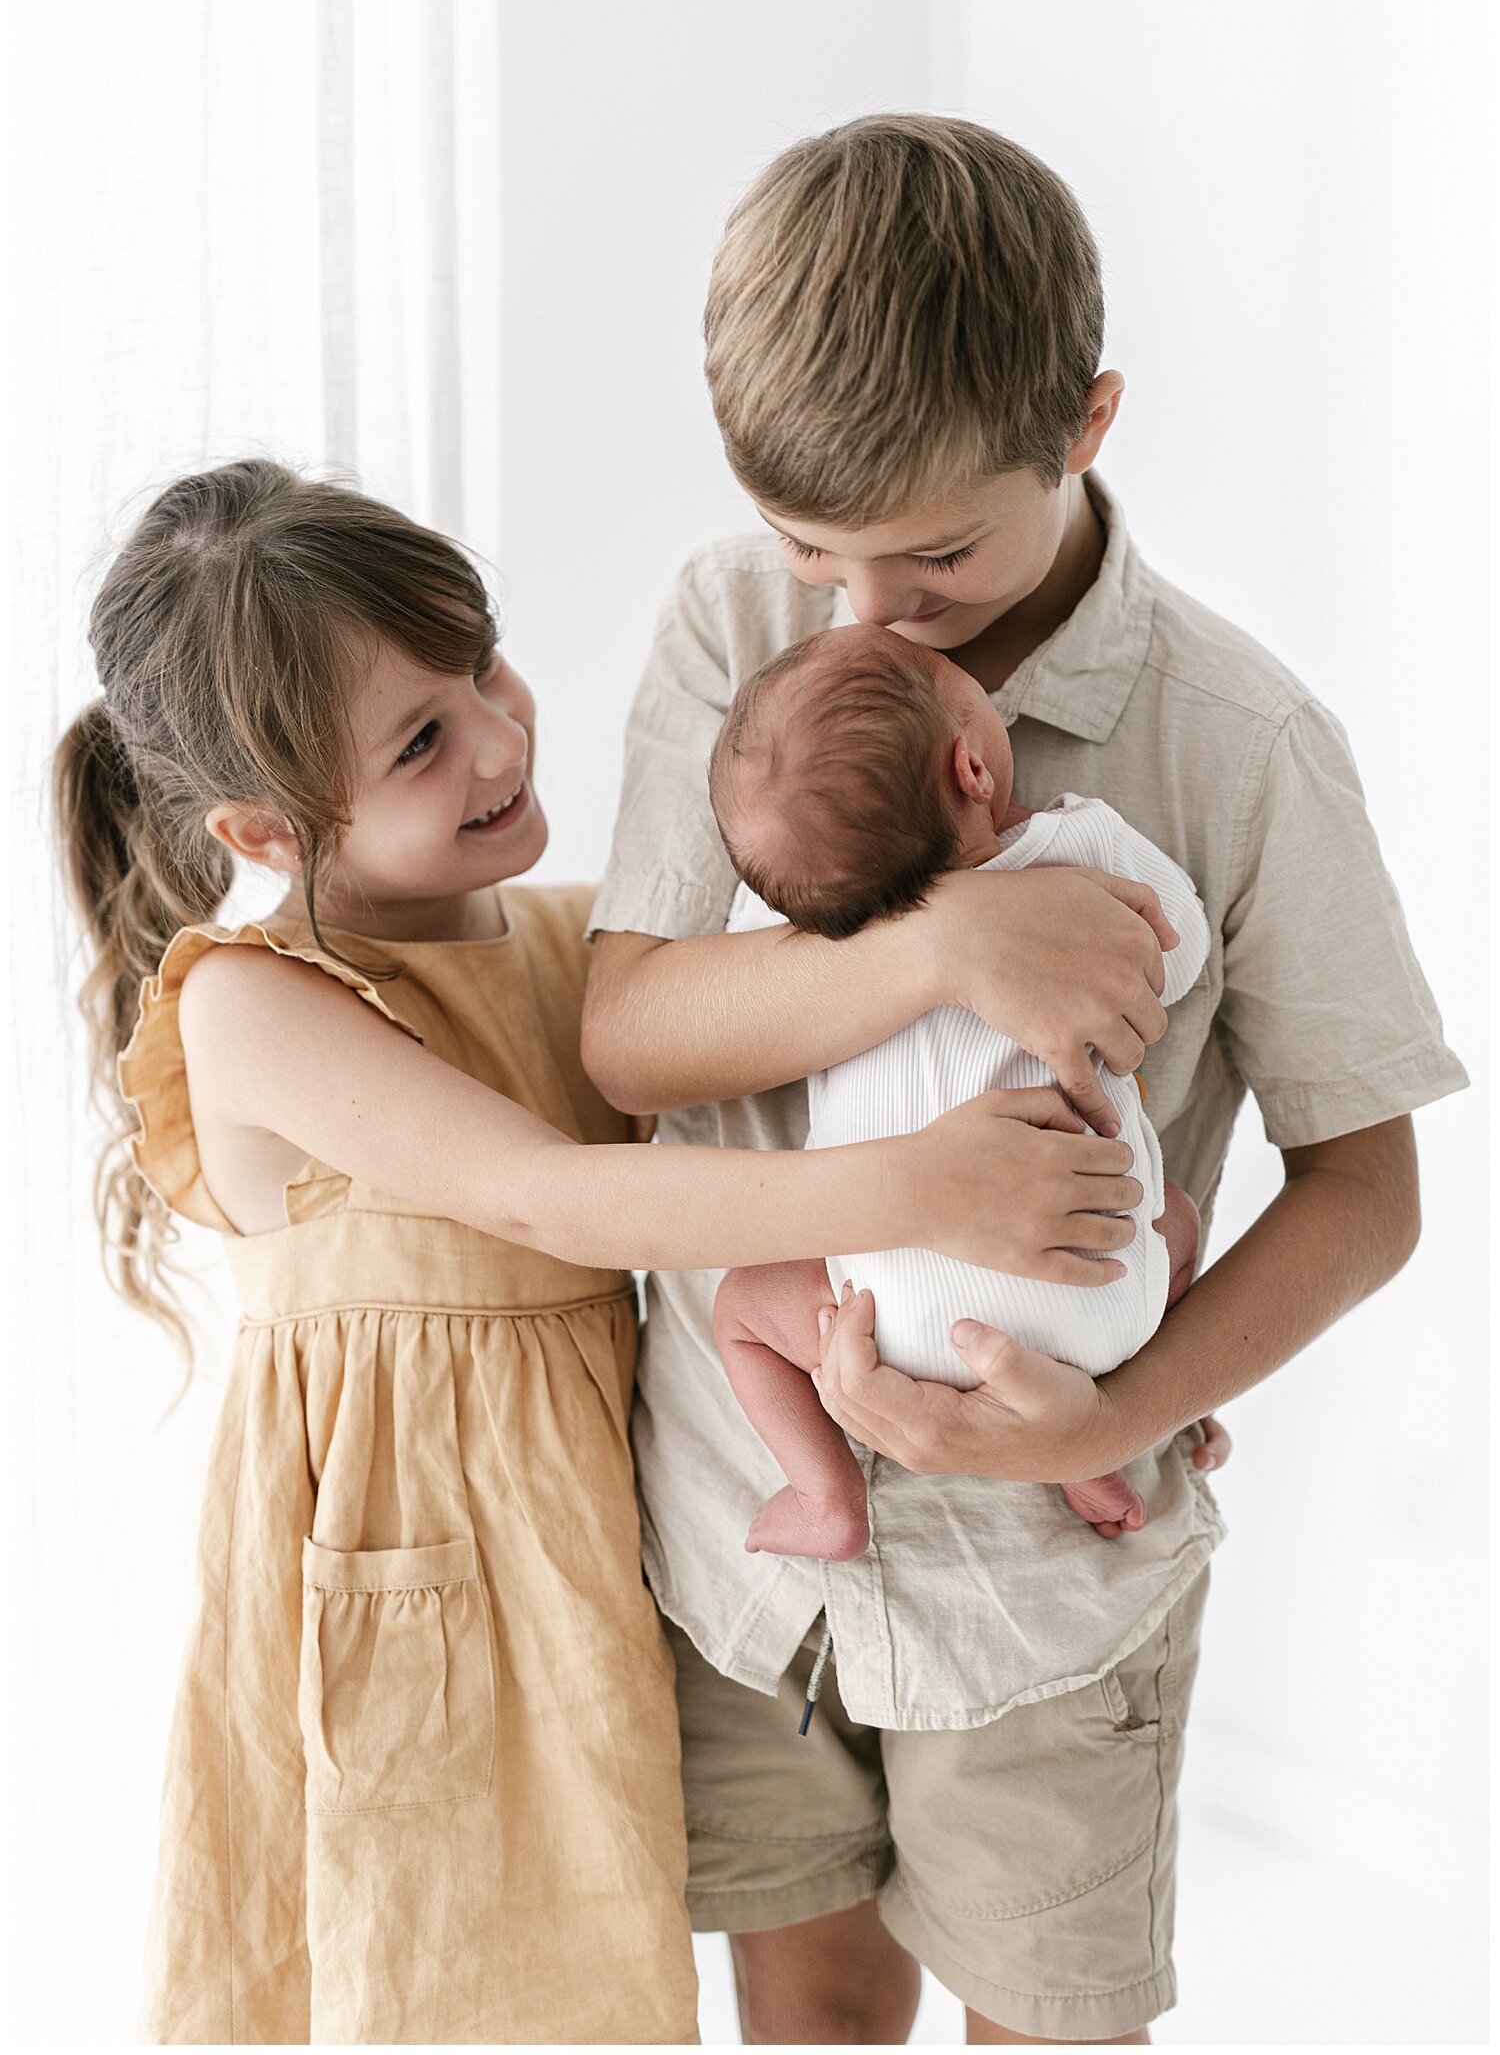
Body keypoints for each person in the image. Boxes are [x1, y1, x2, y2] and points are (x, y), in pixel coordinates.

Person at [580, 115, 1467, 2046]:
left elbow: (1369, 1189)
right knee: (805, 2005)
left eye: (936, 552)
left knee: (1049, 2021)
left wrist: (1113, 1419)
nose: (869, 612)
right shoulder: (734, 624)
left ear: (1087, 423)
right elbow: (628, 1031)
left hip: (1047, 1590)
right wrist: (937, 950)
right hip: (750, 1533)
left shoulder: (1240, 749)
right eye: (816, 546)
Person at [51, 458, 1088, 2046]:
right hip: (409, 1596)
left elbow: (805, 1056)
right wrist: (922, 1187)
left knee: (602, 1978)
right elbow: (557, 1199)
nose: (501, 736)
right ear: (264, 826)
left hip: (593, 1561)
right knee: (439, 1973)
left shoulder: (570, 944)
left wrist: (1076, 1334)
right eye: (421, 739)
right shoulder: (251, 1004)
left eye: (484, 668)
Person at [708, 623, 1208, 1560]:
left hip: (881, 1322)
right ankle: (1086, 1440)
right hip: (1104, 1299)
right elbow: (1181, 953)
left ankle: (825, 1494)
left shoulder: (794, 938)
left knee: (741, 1309)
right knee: (1174, 1215)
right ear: (972, 769)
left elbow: (737, 987)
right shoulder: (1075, 849)